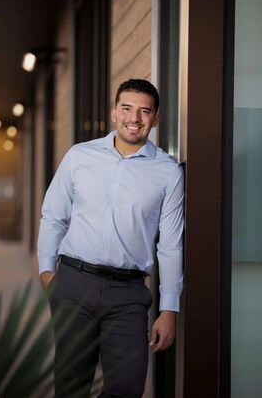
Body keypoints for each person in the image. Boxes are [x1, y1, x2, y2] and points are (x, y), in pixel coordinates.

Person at [37, 79, 184, 398]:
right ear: (114, 113)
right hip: (74, 283)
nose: (135, 117)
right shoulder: (79, 156)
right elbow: (53, 215)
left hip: (128, 294)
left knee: (127, 386)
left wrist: (169, 308)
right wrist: (47, 273)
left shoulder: (168, 172)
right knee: (71, 386)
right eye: (127, 108)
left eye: (145, 111)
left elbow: (170, 245)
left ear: (156, 118)